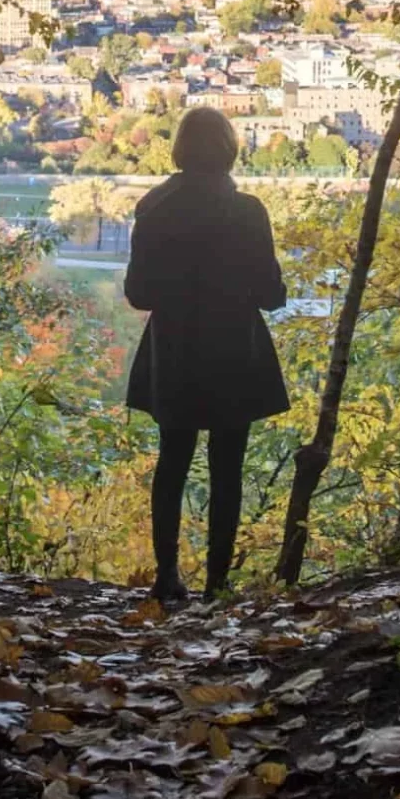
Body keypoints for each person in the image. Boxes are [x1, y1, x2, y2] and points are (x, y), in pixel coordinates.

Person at [124, 106, 289, 604]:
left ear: (180, 149)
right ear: (228, 150)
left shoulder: (154, 207)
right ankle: (218, 582)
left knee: (172, 460)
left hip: (173, 348)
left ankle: (166, 575)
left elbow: (139, 294)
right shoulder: (248, 211)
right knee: (228, 466)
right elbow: (271, 294)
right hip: (233, 349)